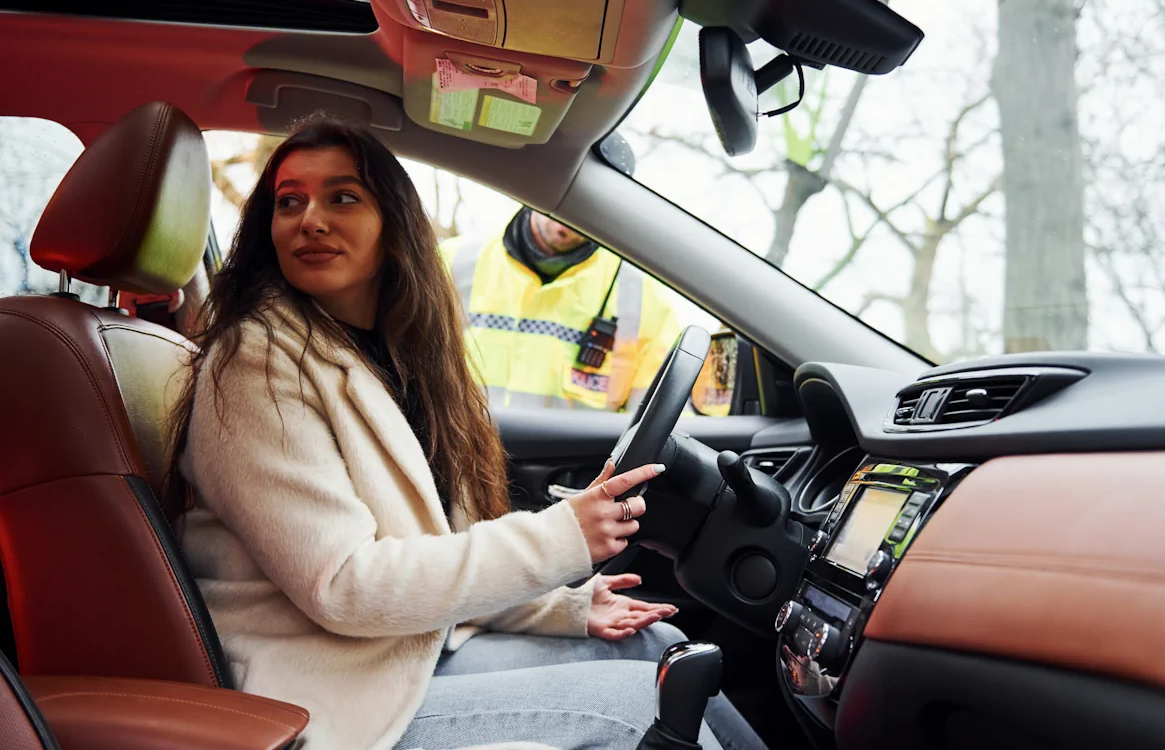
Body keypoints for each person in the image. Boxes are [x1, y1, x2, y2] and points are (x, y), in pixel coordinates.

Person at [163, 118, 766, 750]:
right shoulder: (253, 360)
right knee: (650, 701)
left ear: (393, 223)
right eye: (290, 202)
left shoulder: (386, 356)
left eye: (342, 197)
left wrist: (556, 607)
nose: (309, 219)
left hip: (401, 654)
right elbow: (345, 586)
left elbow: (420, 554)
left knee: (661, 648)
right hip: (332, 693)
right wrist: (559, 538)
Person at [439, 140, 681, 412]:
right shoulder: (450, 263)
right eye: (562, 188)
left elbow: (658, 422)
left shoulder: (644, 297)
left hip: (578, 456)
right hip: (458, 452)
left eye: (586, 202)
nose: (566, 212)